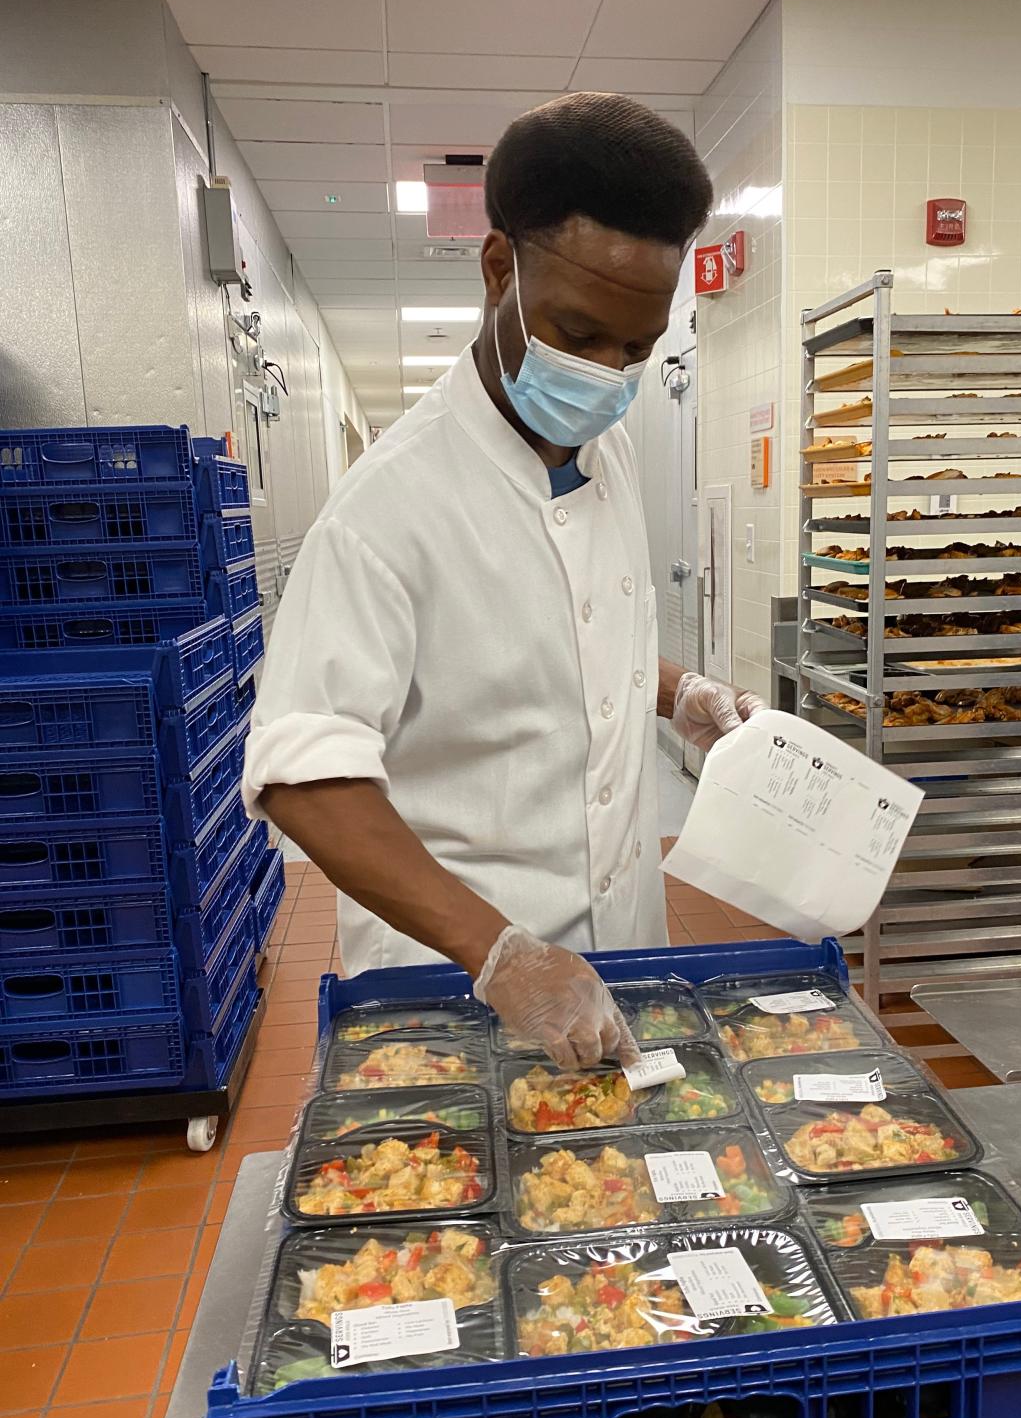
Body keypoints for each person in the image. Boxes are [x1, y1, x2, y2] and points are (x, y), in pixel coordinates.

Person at [242, 93, 762, 1070]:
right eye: (578, 331)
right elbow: (302, 767)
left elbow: (557, 626)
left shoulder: (602, 455)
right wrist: (500, 953)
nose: (607, 374)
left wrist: (673, 691)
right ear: (498, 270)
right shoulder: (388, 505)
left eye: (637, 350)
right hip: (460, 990)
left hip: (618, 966)